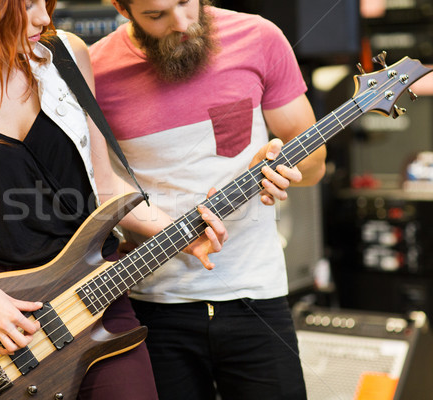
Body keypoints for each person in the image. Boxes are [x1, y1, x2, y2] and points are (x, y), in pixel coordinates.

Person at [0, 1, 230, 399]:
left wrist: (179, 232)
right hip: (3, 318)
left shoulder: (68, 56)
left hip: (95, 291)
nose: (43, 18)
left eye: (45, 2)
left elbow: (103, 190)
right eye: (27, 5)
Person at [89, 0, 327, 399]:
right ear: (121, 7)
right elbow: (100, 185)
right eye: (156, 15)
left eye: (185, 2)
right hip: (153, 305)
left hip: (255, 295)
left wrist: (283, 169)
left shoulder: (259, 38)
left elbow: (316, 165)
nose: (181, 23)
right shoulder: (94, 71)